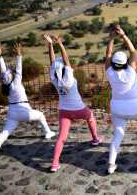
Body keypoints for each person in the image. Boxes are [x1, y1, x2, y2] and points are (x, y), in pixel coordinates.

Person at [0, 42, 55, 163]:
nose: (11, 72)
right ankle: (48, 133)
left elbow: (4, 73)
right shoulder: (16, 82)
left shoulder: (6, 85)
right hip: (23, 111)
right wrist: (18, 54)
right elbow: (19, 68)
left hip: (12, 113)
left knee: (4, 133)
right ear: (12, 76)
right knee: (40, 115)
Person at [43, 34, 103, 172]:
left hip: (64, 111)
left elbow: (53, 63)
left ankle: (55, 163)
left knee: (61, 138)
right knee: (90, 116)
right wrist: (60, 44)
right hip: (79, 109)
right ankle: (95, 139)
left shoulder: (55, 79)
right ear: (65, 68)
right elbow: (66, 59)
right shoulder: (69, 78)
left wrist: (50, 45)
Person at [105, 25, 137, 174]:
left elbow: (108, 54)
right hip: (135, 107)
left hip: (117, 109)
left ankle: (111, 164)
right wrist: (124, 35)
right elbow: (133, 51)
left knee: (118, 135)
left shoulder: (109, 72)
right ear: (125, 63)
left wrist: (111, 38)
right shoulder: (132, 71)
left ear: (114, 64)